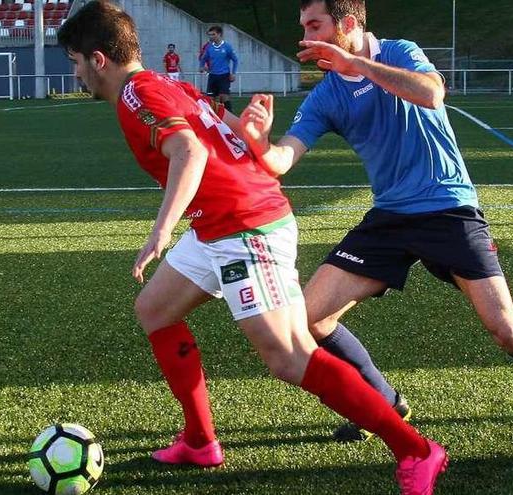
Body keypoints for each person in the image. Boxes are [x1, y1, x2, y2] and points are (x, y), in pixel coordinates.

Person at [58, 3, 448, 494]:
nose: (75, 74)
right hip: (218, 224)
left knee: (289, 357)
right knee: (154, 310)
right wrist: (253, 125)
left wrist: (160, 232)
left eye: (74, 62)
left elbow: (191, 150)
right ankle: (200, 441)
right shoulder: (164, 84)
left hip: (246, 226)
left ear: (98, 59)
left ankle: (416, 449)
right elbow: (224, 135)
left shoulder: (138, 93)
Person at [240, 0, 513, 477]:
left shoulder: (399, 51)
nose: (304, 36)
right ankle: (386, 403)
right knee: (309, 319)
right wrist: (258, 144)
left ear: (348, 24)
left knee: (505, 328)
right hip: (390, 217)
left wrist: (359, 65)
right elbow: (282, 160)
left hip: (449, 208)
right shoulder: (325, 95)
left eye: (314, 24)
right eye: (304, 26)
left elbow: (432, 94)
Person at [199, 25, 237, 112]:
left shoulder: (227, 47)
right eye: (210, 35)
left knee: (224, 97)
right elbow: (203, 58)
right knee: (210, 99)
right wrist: (201, 66)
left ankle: (230, 116)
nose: (211, 37)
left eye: (213, 34)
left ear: (219, 34)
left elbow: (235, 60)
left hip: (224, 76)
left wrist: (233, 73)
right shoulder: (209, 47)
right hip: (212, 76)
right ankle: (212, 119)